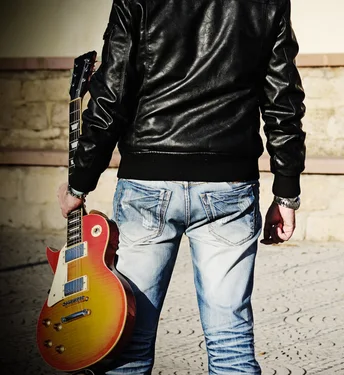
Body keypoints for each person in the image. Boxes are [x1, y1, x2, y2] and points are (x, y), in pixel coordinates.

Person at [56, 0, 306, 373]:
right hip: (229, 184)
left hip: (148, 182)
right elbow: (282, 98)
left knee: (128, 340)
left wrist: (79, 182)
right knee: (231, 343)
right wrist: (285, 192)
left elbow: (112, 91)